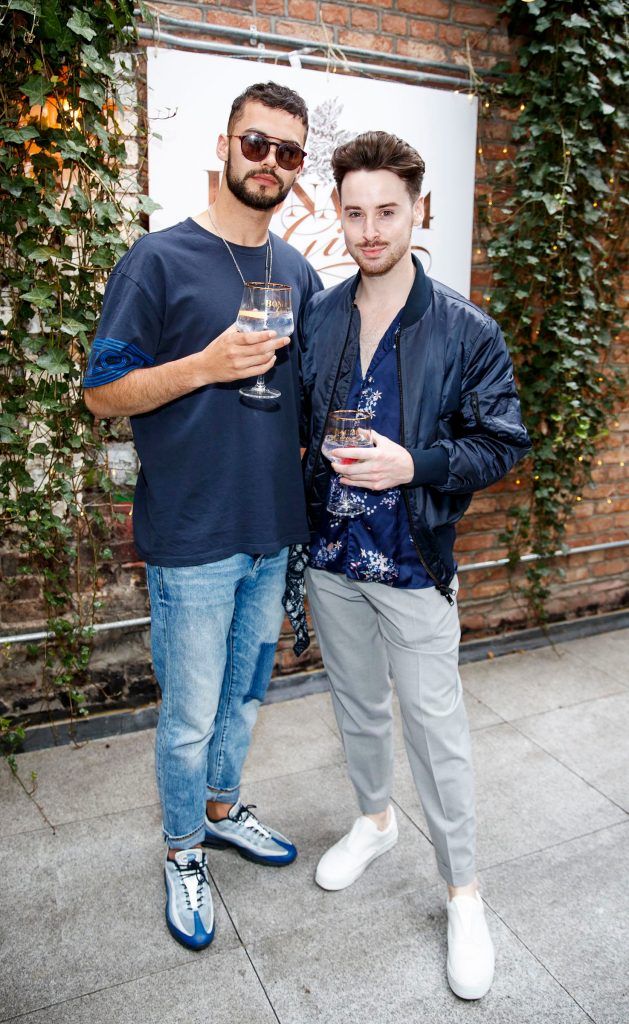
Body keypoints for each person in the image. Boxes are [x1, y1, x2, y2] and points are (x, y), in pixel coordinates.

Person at [83, 82, 322, 951]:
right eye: (257, 144)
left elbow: (304, 407)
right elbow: (103, 394)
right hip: (191, 539)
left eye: (288, 153)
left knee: (245, 701)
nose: (269, 163)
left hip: (271, 536)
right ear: (225, 146)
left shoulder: (298, 273)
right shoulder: (158, 260)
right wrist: (207, 364)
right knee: (188, 715)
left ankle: (221, 810)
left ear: (298, 171)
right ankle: (183, 848)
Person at [300, 131, 531, 1000]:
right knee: (356, 707)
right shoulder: (319, 315)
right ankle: (372, 821)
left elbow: (501, 441)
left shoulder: (466, 329)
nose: (368, 229)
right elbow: (299, 429)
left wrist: (416, 465)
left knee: (436, 733)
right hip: (330, 555)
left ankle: (463, 893)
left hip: (412, 559)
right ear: (340, 214)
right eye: (353, 212)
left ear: (418, 211)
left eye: (385, 211)